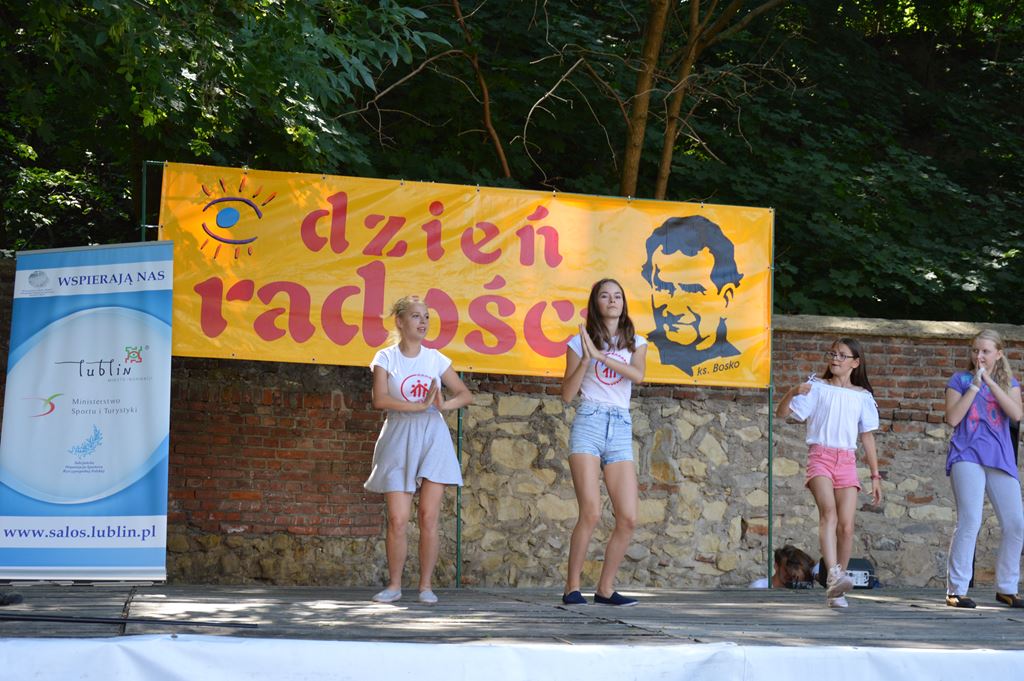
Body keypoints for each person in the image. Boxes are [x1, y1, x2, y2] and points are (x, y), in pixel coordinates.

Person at [364, 295, 473, 605]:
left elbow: (465, 395)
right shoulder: (385, 358)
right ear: (400, 321)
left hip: (432, 436)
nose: (423, 321)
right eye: (416, 316)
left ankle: (425, 586)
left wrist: (442, 405)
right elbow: (380, 399)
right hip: (398, 435)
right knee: (397, 519)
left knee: (428, 516)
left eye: (426, 316)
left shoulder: (436, 359)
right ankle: (394, 585)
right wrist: (418, 406)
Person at [776, 338, 882, 609]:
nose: (835, 359)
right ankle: (833, 575)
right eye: (833, 353)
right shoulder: (817, 387)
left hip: (846, 460)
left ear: (855, 363)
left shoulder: (862, 396)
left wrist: (875, 475)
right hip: (820, 457)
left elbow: (867, 437)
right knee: (829, 514)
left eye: (842, 355)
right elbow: (781, 414)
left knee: (847, 527)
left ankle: (838, 587)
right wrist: (792, 392)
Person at [561, 278, 647, 606]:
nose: (612, 300)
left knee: (628, 517)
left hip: (620, 425)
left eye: (618, 296)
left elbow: (637, 375)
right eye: (605, 296)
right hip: (590, 421)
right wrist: (587, 359)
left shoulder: (636, 342)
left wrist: (601, 356)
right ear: (595, 303)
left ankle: (605, 589)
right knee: (591, 512)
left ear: (624, 303)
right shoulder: (578, 342)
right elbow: (567, 395)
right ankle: (572, 588)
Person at [943, 329, 1024, 609]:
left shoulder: (1010, 383)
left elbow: (1017, 414)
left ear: (998, 354)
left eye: (985, 351)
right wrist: (976, 386)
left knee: (1016, 524)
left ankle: (1007, 588)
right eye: (975, 350)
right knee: (970, 521)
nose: (979, 356)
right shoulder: (959, 380)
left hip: (1000, 458)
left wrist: (990, 381)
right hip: (967, 455)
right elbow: (953, 418)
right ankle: (956, 590)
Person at [640, 215, 743, 377]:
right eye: (663, 287)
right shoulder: (634, 356)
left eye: (692, 289)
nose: (674, 309)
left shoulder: (736, 366)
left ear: (726, 298)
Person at [749, 545, 816, 589]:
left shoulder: (798, 589)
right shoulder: (759, 587)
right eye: (786, 570)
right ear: (776, 566)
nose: (790, 574)